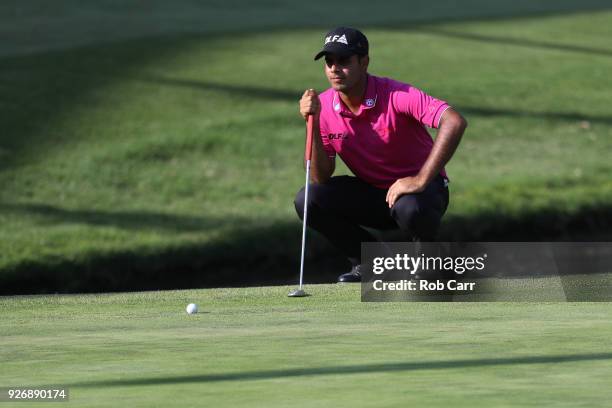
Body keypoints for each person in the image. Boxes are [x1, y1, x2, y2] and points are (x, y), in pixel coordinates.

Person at [295, 27, 467, 283]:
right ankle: (372, 262)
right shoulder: (323, 106)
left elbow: (454, 122)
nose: (334, 69)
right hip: (375, 194)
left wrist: (419, 180)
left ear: (364, 62)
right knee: (308, 199)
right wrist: (314, 123)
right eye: (329, 62)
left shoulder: (396, 94)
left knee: (410, 207)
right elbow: (321, 177)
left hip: (423, 193)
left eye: (344, 61)